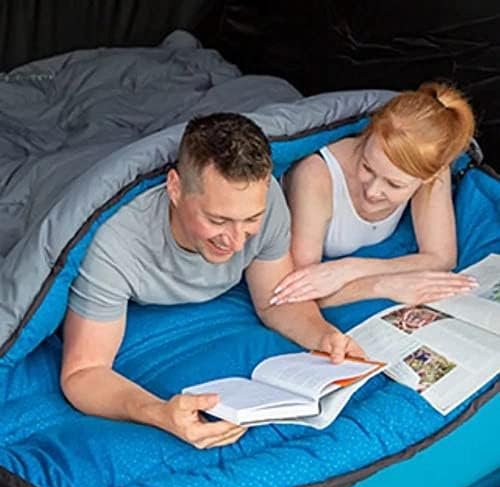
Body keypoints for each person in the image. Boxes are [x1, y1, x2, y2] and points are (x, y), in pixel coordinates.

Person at [60, 113, 364, 450]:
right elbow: (83, 373)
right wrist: (158, 413)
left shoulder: (268, 204)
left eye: (250, 220)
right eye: (218, 220)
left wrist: (323, 336)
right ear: (175, 188)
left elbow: (274, 300)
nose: (236, 241)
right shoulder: (116, 243)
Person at [271, 82, 479, 308]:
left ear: (429, 177)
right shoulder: (315, 175)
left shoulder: (433, 173)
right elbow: (300, 288)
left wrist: (350, 269)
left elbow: (441, 258)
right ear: (367, 137)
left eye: (393, 184)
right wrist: (382, 286)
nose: (372, 191)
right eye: (367, 167)